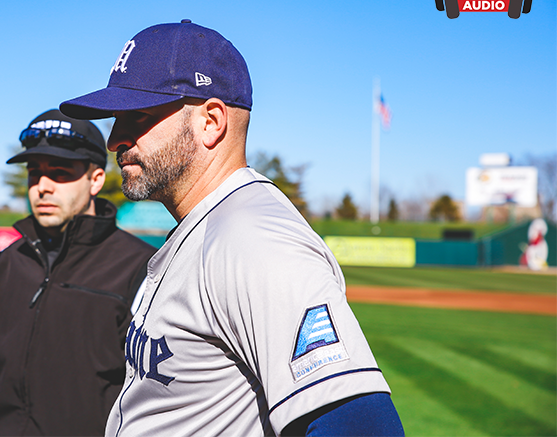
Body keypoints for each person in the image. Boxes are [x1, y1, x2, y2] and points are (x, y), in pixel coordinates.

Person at [60, 21, 404, 436]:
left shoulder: (253, 237)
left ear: (211, 121)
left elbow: (362, 426)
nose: (115, 139)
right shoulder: (211, 226)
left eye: (137, 116)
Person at [0, 109, 156, 436]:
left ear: (95, 180)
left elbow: (153, 405)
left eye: (60, 172)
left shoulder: (141, 268)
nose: (42, 186)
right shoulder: (5, 263)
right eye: (34, 172)